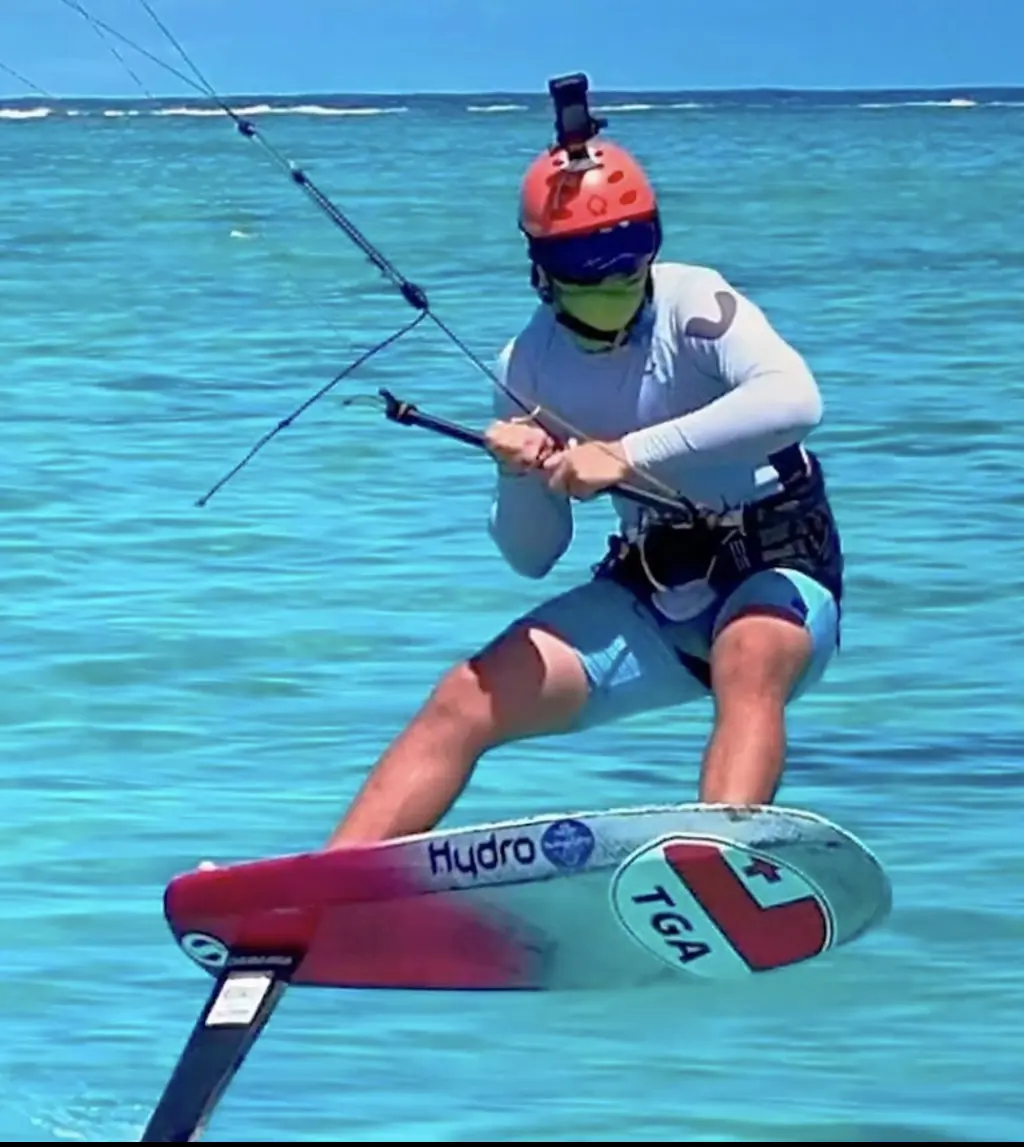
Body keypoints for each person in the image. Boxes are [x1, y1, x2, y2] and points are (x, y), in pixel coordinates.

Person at [323, 88, 843, 851]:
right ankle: (322, 889)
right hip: (652, 590)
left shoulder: (698, 304)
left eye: (629, 258)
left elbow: (796, 399)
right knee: (468, 694)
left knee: (748, 655)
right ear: (543, 271)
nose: (612, 281)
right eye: (583, 267)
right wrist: (519, 473)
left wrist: (627, 452)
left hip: (781, 569)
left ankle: (717, 861)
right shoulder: (526, 365)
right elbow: (531, 557)